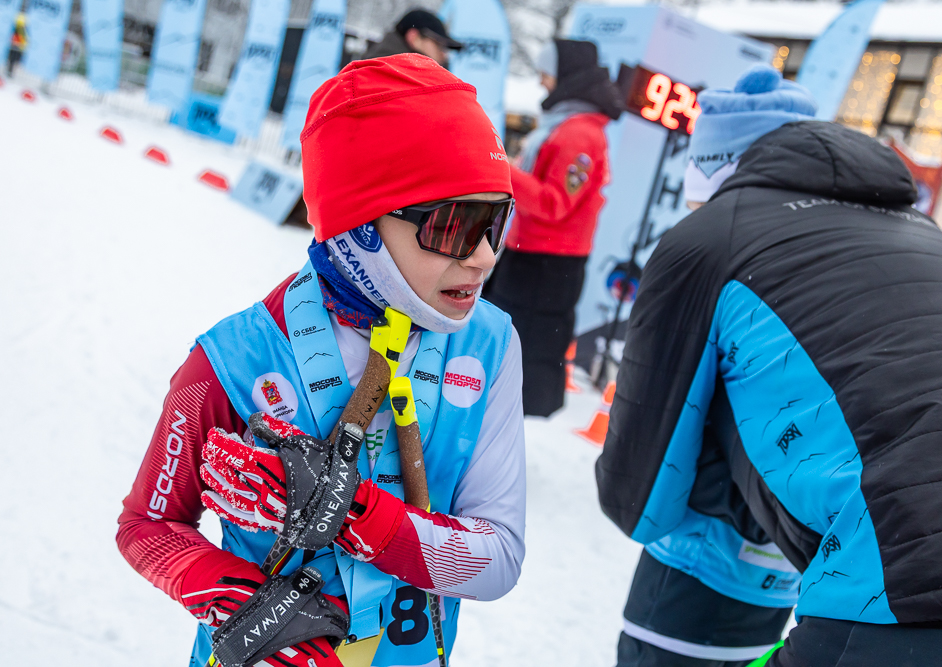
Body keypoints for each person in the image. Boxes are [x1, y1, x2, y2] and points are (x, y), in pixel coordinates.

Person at [116, 54, 526, 667]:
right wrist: (248, 605)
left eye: (497, 220)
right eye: (452, 227)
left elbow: (498, 559)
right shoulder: (233, 357)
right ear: (360, 222)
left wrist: (357, 516)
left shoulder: (489, 344)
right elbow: (147, 526)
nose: (485, 257)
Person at [600, 64, 942, 666]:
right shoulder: (933, 239)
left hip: (910, 582)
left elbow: (639, 497)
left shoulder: (707, 238)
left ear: (711, 177)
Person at [484, 39, 624, 417]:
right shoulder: (568, 124)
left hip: (545, 265)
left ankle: (508, 430)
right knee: (508, 346)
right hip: (534, 258)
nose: (543, 82)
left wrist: (501, 169)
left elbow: (554, 203)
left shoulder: (580, 133)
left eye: (546, 73)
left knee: (525, 355)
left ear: (565, 77)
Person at [362, 8, 463, 68]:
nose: (444, 54)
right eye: (439, 45)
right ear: (414, 37)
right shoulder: (391, 72)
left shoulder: (377, 65)